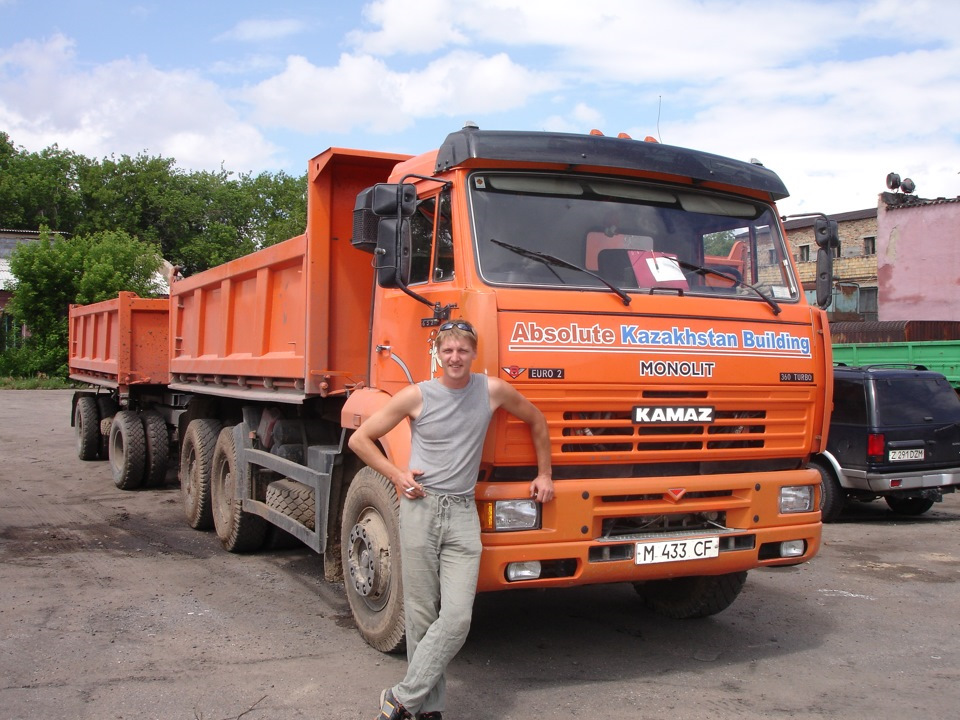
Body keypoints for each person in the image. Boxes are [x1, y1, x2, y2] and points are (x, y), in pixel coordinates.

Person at [348, 319, 554, 720]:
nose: (455, 357)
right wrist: (397, 474)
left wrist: (544, 473)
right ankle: (429, 710)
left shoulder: (491, 390)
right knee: (422, 615)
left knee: (457, 617)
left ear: (473, 354)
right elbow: (360, 439)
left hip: (462, 513)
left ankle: (401, 697)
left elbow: (537, 420)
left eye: (462, 350)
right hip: (421, 509)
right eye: (448, 350)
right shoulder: (416, 396)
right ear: (437, 355)